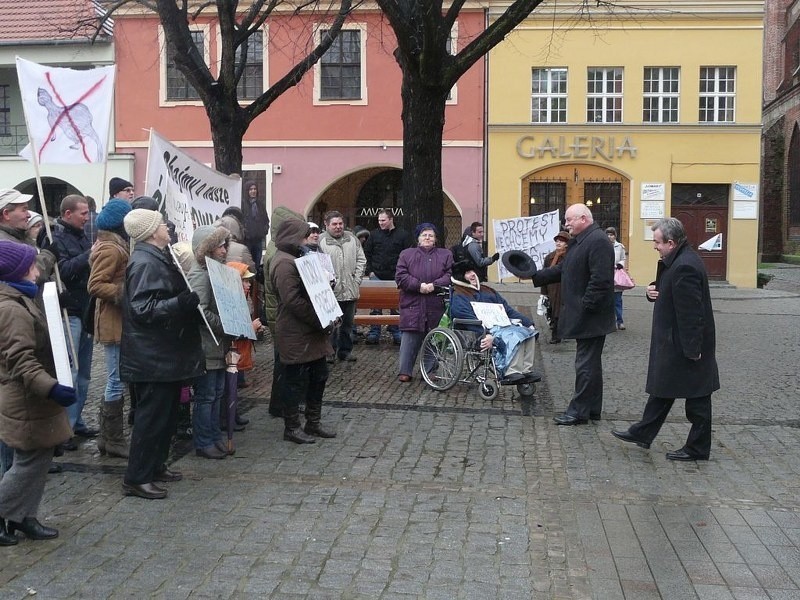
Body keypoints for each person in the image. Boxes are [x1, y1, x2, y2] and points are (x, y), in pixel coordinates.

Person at [611, 217, 719, 461]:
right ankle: (643, 432)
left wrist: (693, 349)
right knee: (664, 388)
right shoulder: (676, 261)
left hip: (685, 343)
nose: (654, 247)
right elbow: (668, 290)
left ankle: (697, 448)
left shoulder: (685, 266)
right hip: (674, 341)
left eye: (658, 242)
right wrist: (652, 291)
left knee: (697, 398)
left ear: (671, 242)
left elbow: (692, 312)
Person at [120, 209, 204, 499]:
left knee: (165, 416)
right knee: (151, 418)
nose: (166, 226)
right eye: (161, 224)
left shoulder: (157, 255)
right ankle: (136, 478)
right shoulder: (144, 262)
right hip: (151, 355)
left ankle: (155, 466)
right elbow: (142, 310)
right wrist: (179, 303)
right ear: (150, 231)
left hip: (164, 352)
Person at [0, 240, 76, 545]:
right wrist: (53, 388)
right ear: (17, 272)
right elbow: (21, 361)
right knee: (29, 462)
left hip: (35, 397)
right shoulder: (11, 309)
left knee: (40, 459)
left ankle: (22, 517)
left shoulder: (22, 297)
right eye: (31, 266)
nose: (36, 271)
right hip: (27, 399)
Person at [531, 203, 615, 425]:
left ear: (583, 219)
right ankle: (592, 409)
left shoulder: (598, 241)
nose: (566, 224)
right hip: (587, 314)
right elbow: (564, 269)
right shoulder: (581, 241)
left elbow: (601, 280)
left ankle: (578, 411)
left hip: (591, 316)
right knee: (591, 363)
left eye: (569, 220)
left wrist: (586, 306)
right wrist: (536, 275)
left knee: (585, 364)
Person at [270, 218, 337, 443]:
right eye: (301, 235)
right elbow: (292, 300)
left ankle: (313, 423)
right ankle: (292, 426)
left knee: (319, 375)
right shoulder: (283, 263)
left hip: (310, 330)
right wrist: (319, 318)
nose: (305, 239)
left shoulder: (297, 257)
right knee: (295, 380)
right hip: (295, 330)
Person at [87, 199, 132, 459]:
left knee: (116, 378)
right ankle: (112, 437)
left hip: (116, 320)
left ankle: (108, 437)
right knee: (115, 380)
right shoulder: (111, 249)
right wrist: (124, 292)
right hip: (112, 321)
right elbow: (95, 285)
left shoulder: (114, 245)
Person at [52, 195, 97, 443]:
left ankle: (77, 420)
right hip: (71, 314)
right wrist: (90, 254)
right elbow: (65, 271)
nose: (87, 217)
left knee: (85, 373)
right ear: (68, 214)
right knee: (72, 371)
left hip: (86, 310)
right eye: (83, 213)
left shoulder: (81, 236)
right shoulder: (55, 238)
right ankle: (66, 429)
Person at [449, 262, 538, 380]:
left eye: (472, 271)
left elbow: (507, 310)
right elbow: (466, 318)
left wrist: (528, 323)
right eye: (467, 273)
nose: (472, 275)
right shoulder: (459, 295)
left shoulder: (488, 291)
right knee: (515, 335)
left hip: (499, 325)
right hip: (478, 331)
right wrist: (487, 333)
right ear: (460, 277)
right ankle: (511, 371)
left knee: (529, 334)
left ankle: (525, 369)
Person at [188, 225, 232, 460]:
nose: (225, 250)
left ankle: (213, 436)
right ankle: (204, 441)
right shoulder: (200, 274)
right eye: (220, 246)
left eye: (225, 245)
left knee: (216, 393)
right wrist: (225, 324)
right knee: (206, 396)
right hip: (207, 345)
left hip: (216, 344)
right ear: (208, 249)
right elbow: (201, 311)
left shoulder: (214, 271)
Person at [395, 223, 453, 382]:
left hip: (435, 303)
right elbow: (401, 276)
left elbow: (449, 275)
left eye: (431, 235)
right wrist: (418, 286)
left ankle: (430, 370)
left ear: (435, 239)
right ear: (418, 238)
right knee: (410, 336)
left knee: (434, 337)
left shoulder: (445, 254)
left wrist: (434, 285)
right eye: (424, 235)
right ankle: (405, 370)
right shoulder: (407, 254)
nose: (427, 238)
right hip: (413, 302)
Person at [263, 206, 305, 418]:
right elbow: (286, 292)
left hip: (275, 311)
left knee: (282, 362)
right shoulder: (278, 255)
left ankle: (279, 403)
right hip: (279, 314)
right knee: (284, 363)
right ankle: (280, 405)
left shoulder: (275, 249)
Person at [319, 210, 366, 362]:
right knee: (331, 326)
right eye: (334, 224)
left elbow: (361, 260)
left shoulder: (352, 239)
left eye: (340, 224)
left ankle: (345, 351)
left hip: (350, 290)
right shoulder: (321, 241)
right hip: (331, 292)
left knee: (347, 325)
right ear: (326, 225)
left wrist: (356, 279)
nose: (338, 227)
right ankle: (329, 352)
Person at [363, 210, 411, 345]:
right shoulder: (374, 235)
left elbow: (407, 255)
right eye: (379, 220)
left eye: (383, 220)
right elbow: (367, 253)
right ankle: (374, 332)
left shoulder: (402, 235)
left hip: (396, 276)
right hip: (377, 275)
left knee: (396, 306)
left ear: (391, 219)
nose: (380, 223)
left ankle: (397, 332)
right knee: (375, 307)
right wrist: (370, 271)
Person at [540, 230, 570, 343]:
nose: (558, 243)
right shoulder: (550, 257)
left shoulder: (570, 256)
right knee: (552, 312)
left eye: (561, 241)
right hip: (552, 289)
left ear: (567, 243)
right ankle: (556, 331)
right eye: (557, 241)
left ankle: (557, 335)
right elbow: (544, 275)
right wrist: (543, 293)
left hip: (565, 289)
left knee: (561, 312)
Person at [243, 181, 270, 266]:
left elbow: (266, 220)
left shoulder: (260, 204)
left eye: (255, 189)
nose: (253, 191)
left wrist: (264, 231)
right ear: (247, 191)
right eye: (251, 189)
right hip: (247, 240)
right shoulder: (243, 204)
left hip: (258, 240)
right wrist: (245, 232)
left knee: (257, 264)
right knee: (248, 264)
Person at [606, 226, 627, 330]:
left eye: (611, 234)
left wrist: (620, 264)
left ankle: (620, 321)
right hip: (606, 275)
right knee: (607, 301)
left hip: (617, 276)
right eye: (608, 235)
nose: (610, 237)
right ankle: (609, 322)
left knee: (617, 300)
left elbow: (623, 258)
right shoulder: (602, 246)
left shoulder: (620, 247)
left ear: (615, 236)